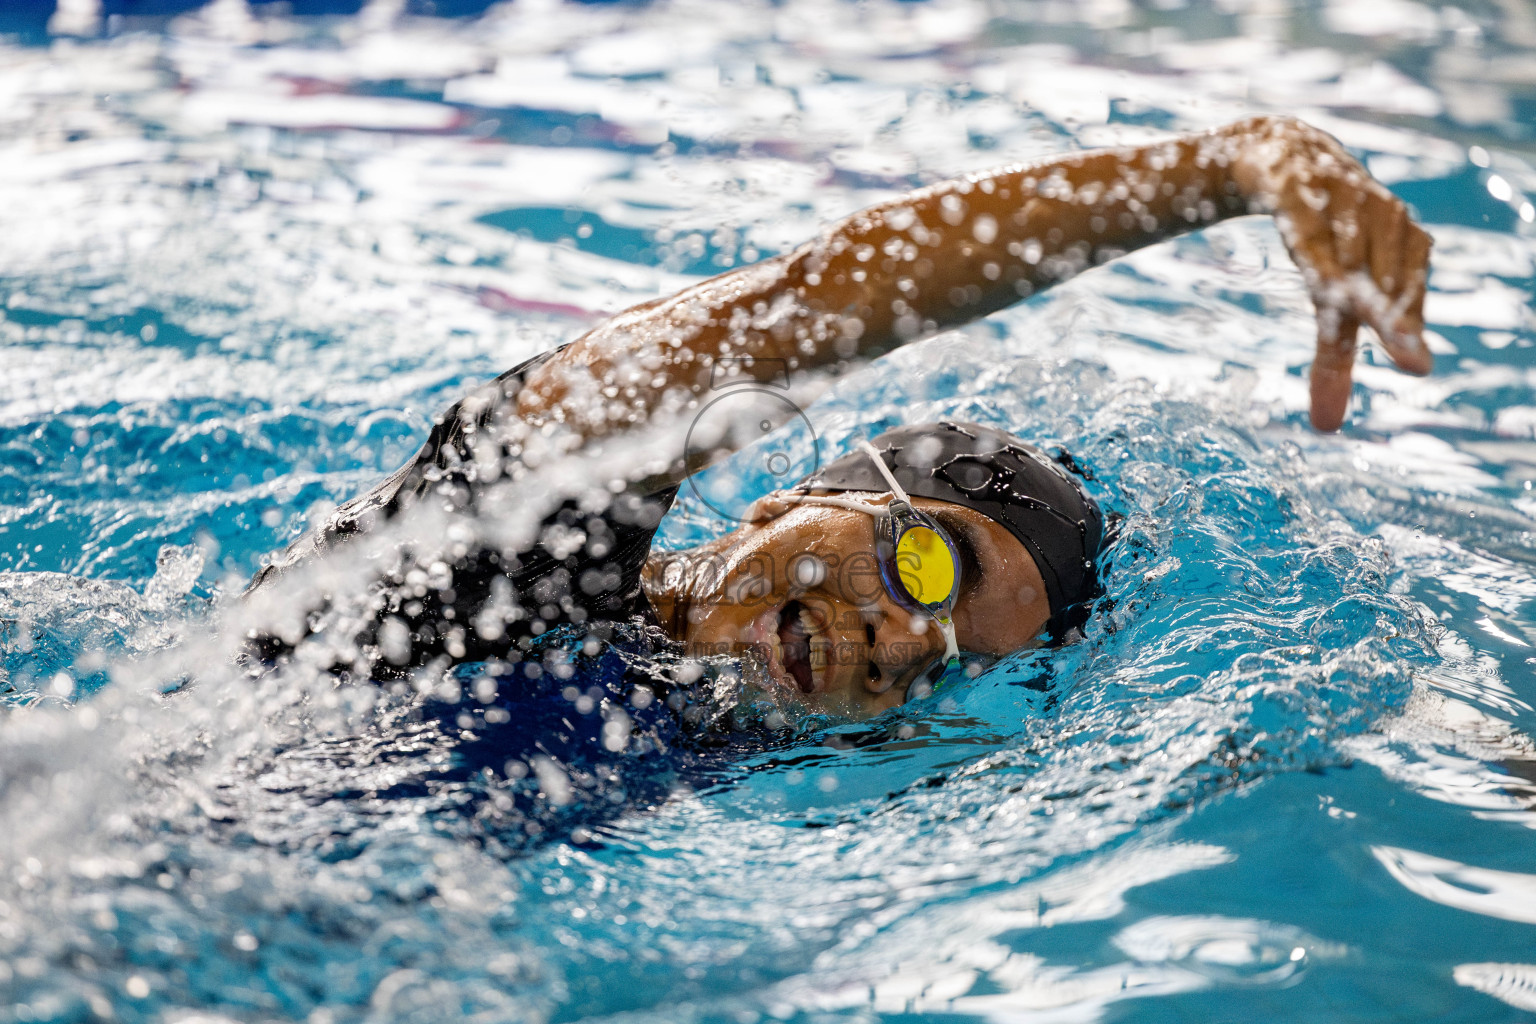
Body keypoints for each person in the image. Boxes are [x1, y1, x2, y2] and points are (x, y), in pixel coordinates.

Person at [243, 114, 1432, 722]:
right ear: (803, 493)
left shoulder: (699, 750)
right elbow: (811, 299)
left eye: (959, 665)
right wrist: (1235, 165)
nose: (914, 644)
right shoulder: (514, 545)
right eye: (929, 561)